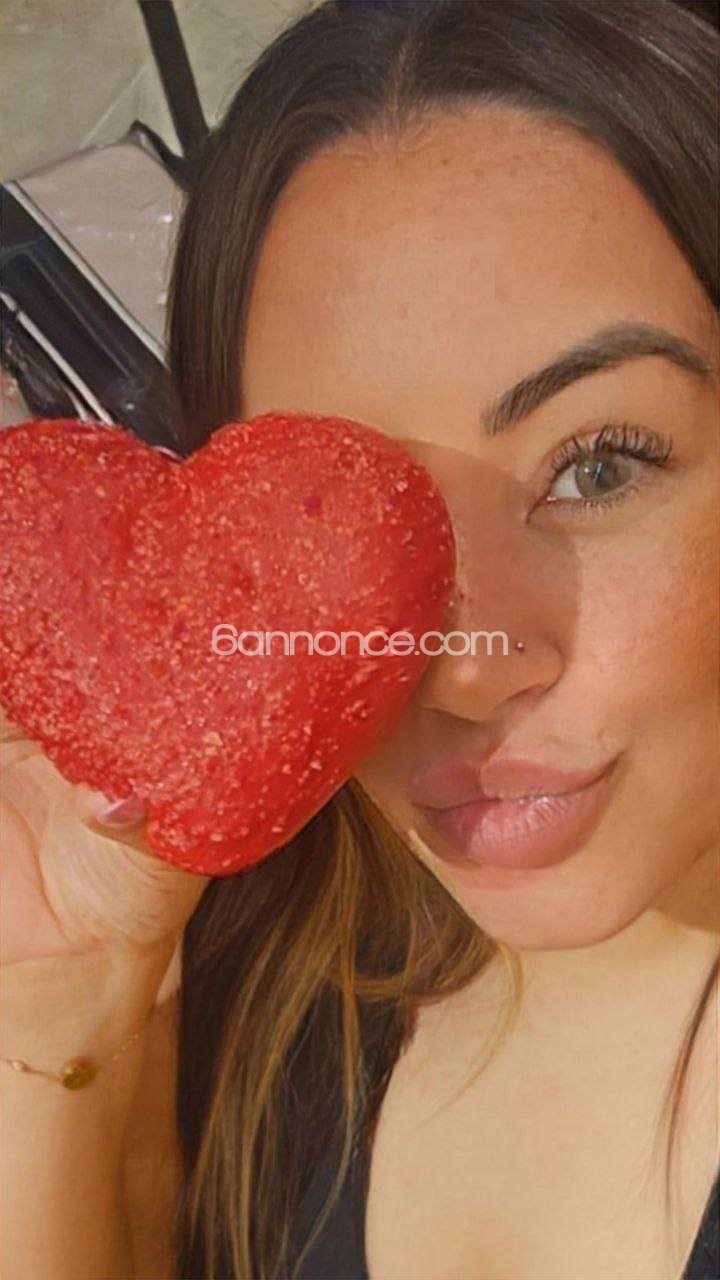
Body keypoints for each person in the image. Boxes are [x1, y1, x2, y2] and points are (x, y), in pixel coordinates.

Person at [1, 1, 718, 1278]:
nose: (460, 666)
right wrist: (69, 999)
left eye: (600, 467)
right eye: (334, 525)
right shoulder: (260, 960)